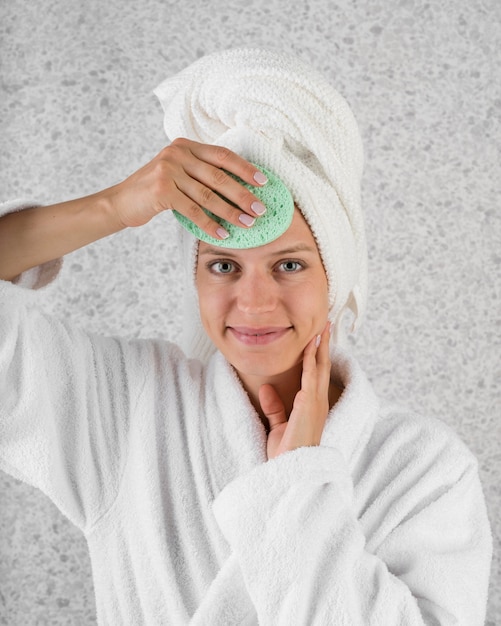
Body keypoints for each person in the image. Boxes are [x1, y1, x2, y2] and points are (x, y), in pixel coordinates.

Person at [0, 48, 492, 625]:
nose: (254, 303)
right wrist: (115, 206)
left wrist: (300, 484)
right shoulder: (129, 411)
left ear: (336, 273)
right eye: (224, 266)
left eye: (289, 265)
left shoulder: (424, 469)